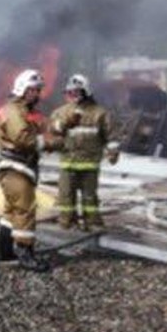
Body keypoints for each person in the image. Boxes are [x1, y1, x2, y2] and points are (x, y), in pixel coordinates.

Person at [0, 68, 60, 272]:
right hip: (15, 167)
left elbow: (41, 125)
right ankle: (25, 255)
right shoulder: (13, 111)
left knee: (11, 212)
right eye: (34, 90)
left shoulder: (23, 111)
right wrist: (52, 144)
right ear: (22, 89)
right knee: (25, 209)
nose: (38, 94)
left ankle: (4, 252)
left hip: (19, 167)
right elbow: (23, 139)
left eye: (39, 90)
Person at [49, 74, 118, 231]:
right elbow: (52, 130)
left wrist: (113, 152)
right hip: (68, 163)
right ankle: (67, 223)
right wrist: (66, 122)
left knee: (90, 197)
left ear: (86, 92)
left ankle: (92, 223)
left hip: (89, 164)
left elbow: (111, 135)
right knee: (66, 197)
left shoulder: (100, 113)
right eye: (69, 92)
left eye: (76, 92)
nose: (71, 95)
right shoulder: (61, 112)